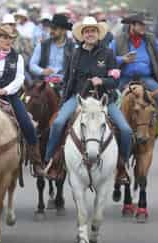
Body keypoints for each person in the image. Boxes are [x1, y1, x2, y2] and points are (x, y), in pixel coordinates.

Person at [44, 17, 132, 183]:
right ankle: (51, 161)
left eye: (93, 31)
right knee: (57, 123)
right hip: (78, 98)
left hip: (104, 100)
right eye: (87, 31)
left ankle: (122, 166)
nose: (90, 34)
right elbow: (69, 80)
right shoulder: (75, 54)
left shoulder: (108, 53)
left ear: (98, 34)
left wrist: (103, 81)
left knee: (125, 130)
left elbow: (115, 80)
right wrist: (64, 102)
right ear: (82, 35)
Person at [0, 25, 44, 175]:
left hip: (10, 95)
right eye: (4, 37)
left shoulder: (18, 57)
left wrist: (6, 90)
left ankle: (36, 161)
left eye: (10, 38)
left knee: (28, 125)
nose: (8, 41)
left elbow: (20, 78)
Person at [110, 13, 158, 155]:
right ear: (132, 25)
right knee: (110, 101)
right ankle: (109, 135)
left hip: (146, 78)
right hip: (124, 78)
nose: (143, 27)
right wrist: (122, 59)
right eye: (140, 24)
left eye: (144, 25)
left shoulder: (150, 39)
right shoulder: (118, 40)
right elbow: (107, 57)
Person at [29, 14, 74, 87]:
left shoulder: (73, 47)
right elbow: (32, 65)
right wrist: (42, 71)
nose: (51, 31)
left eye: (55, 28)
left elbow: (75, 69)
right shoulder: (42, 45)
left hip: (65, 85)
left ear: (63, 30)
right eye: (51, 28)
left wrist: (63, 78)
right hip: (44, 83)